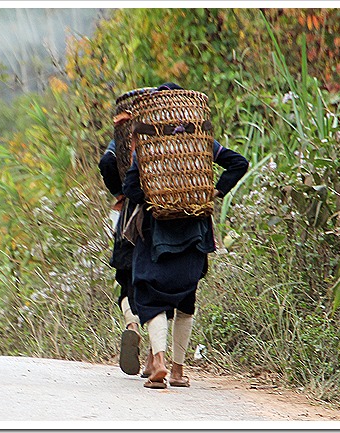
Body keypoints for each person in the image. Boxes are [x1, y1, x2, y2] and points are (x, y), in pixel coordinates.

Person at [122, 82, 249, 389]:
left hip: (157, 233)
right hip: (196, 231)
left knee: (150, 298)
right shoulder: (201, 142)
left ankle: (159, 361)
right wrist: (214, 191)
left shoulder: (149, 147)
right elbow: (238, 163)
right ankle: (178, 371)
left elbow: (129, 188)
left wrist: (153, 199)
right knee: (186, 300)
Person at [98, 139, 143, 376]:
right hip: (172, 219)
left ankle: (132, 325)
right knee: (161, 290)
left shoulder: (127, 134)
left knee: (126, 284)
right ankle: (162, 359)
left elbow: (107, 162)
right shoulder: (178, 130)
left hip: (130, 220)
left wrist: (121, 194)